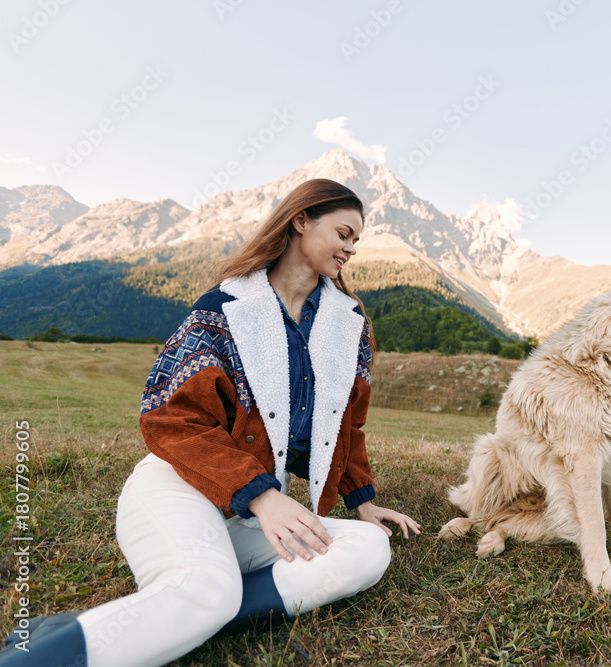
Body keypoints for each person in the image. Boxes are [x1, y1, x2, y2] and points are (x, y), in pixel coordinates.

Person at [1, 179, 421, 667]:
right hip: (179, 490)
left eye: (356, 240)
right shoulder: (222, 310)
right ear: (301, 220)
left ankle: (200, 614)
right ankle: (35, 655)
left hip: (248, 515)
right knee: (206, 590)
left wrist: (362, 502)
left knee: (368, 549)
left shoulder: (349, 326)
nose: (351, 249)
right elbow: (169, 419)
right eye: (344, 233)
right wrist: (265, 497)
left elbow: (346, 426)